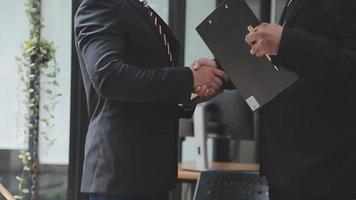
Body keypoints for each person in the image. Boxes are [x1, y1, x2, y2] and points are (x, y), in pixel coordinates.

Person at [195, 0, 356, 199]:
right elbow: (286, 67)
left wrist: (286, 42)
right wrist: (225, 71)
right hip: (287, 166)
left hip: (325, 169)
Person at [74, 0, 228, 200]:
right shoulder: (101, 4)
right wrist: (188, 79)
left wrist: (191, 95)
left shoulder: (140, 10)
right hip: (122, 174)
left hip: (151, 173)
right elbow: (109, 76)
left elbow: (146, 89)